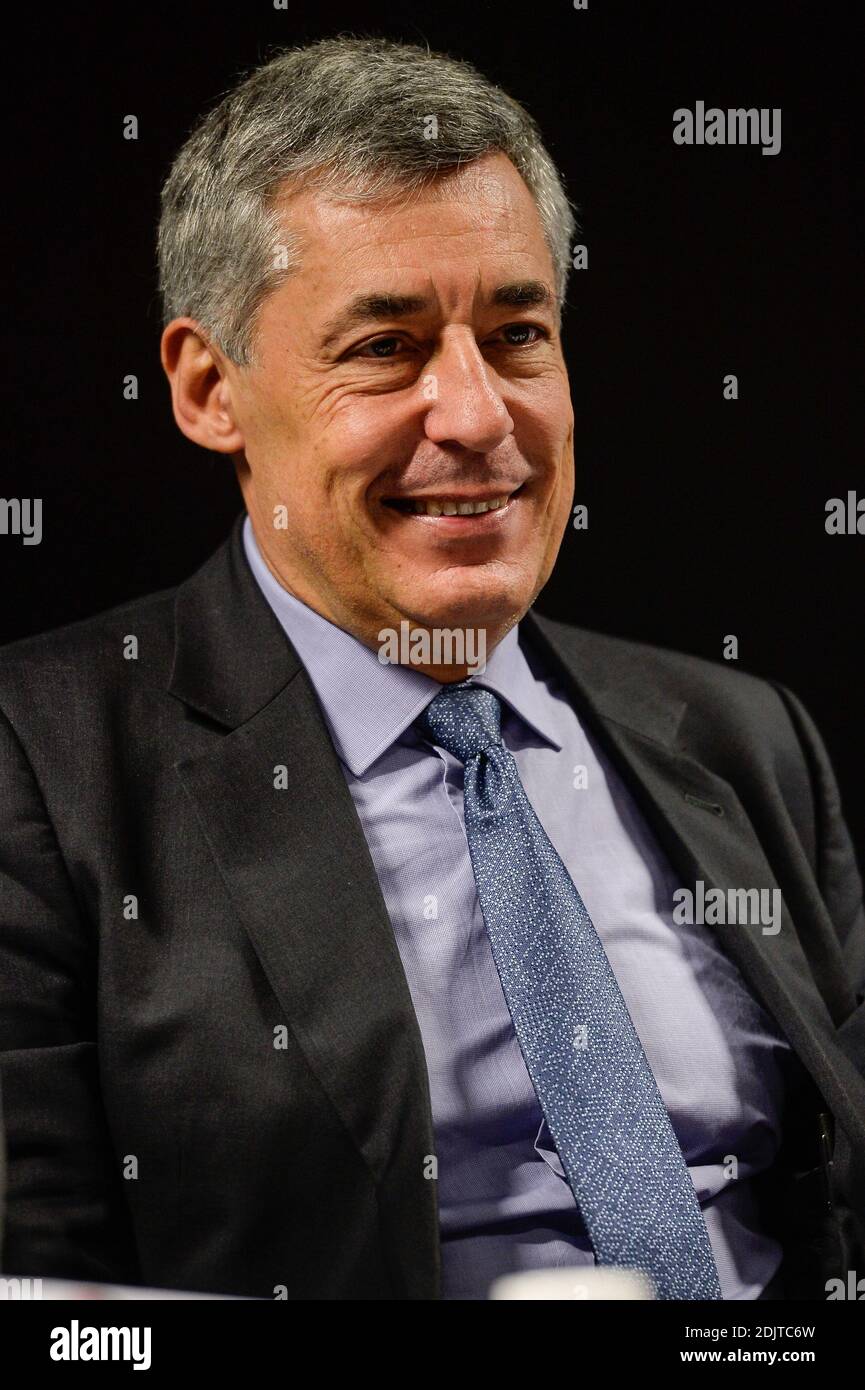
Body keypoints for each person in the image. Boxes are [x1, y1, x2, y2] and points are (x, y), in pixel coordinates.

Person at [0, 36, 863, 1302]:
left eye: (517, 332)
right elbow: (50, 1312)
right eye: (385, 348)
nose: (473, 415)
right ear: (206, 387)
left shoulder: (742, 735)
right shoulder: (41, 761)